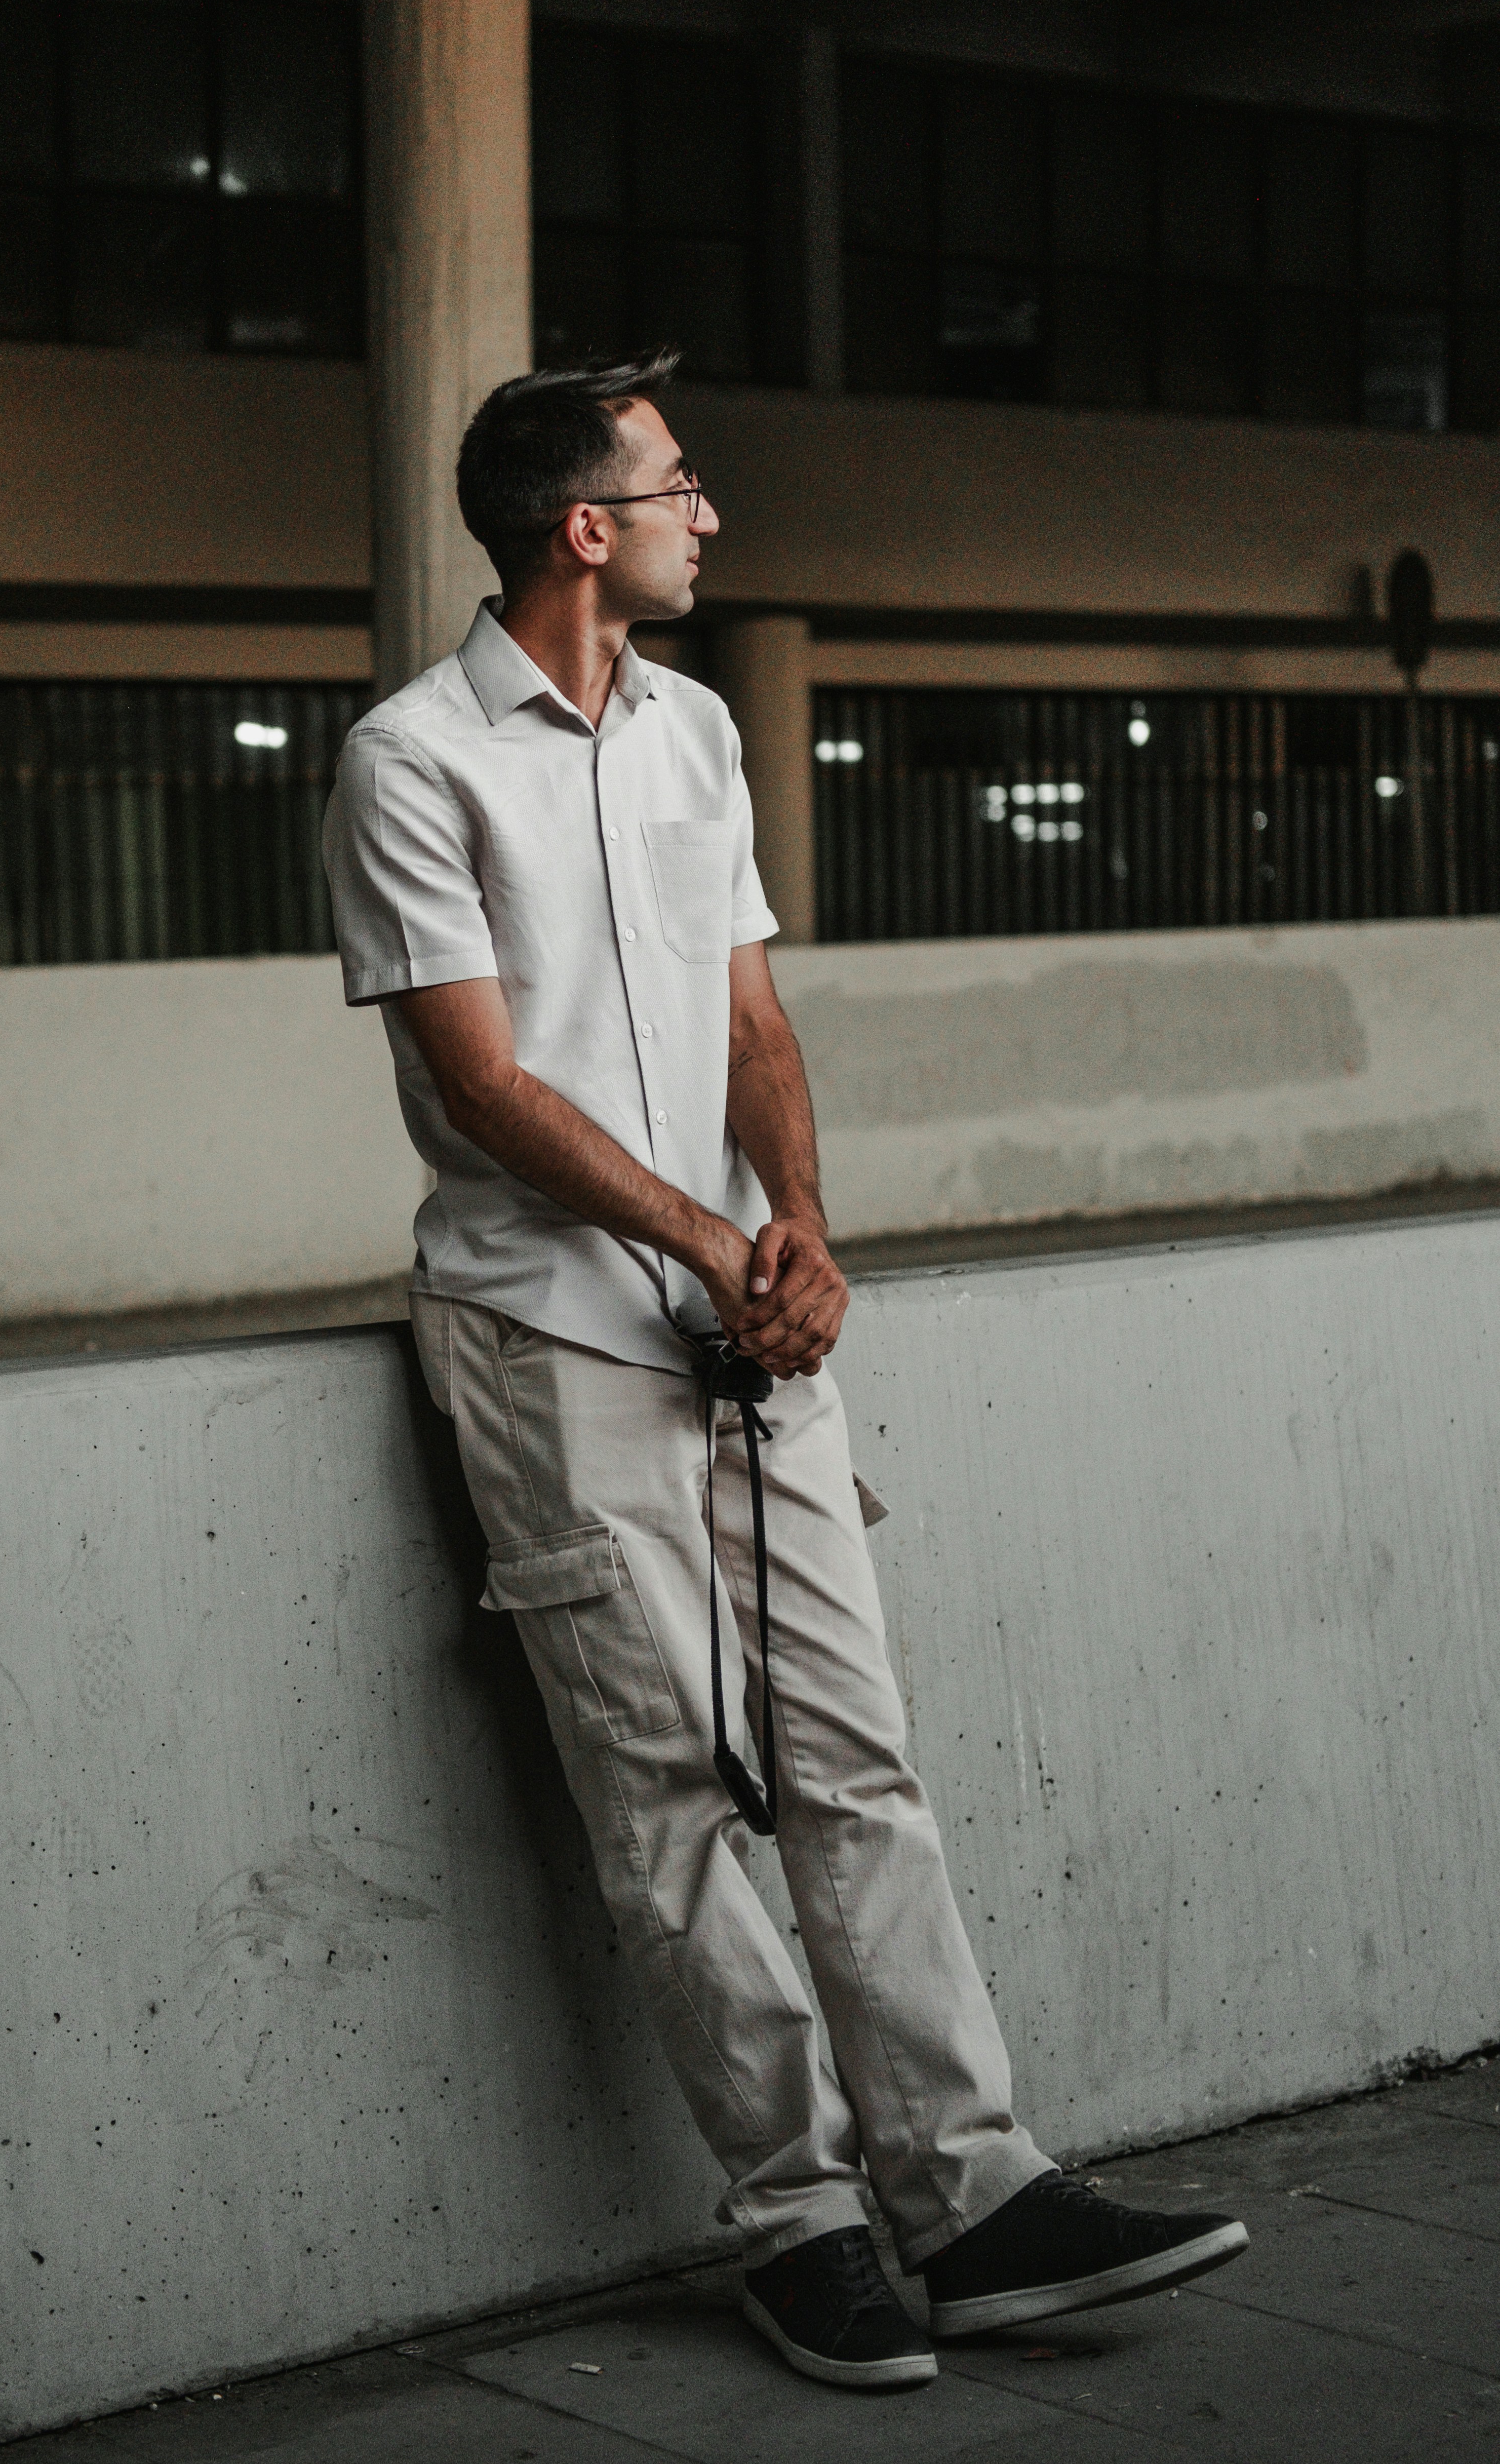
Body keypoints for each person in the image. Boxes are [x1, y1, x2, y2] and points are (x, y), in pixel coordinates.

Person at [323, 353, 1247, 2390]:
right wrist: (710, 1244)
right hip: (558, 1337)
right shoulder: (412, 762)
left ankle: (973, 2194)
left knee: (851, 1757)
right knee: (670, 1799)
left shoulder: (694, 731)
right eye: (674, 484)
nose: (704, 513)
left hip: (750, 1324)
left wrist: (803, 1228)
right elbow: (477, 1086)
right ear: (584, 526)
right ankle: (798, 2222)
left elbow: (748, 1015)